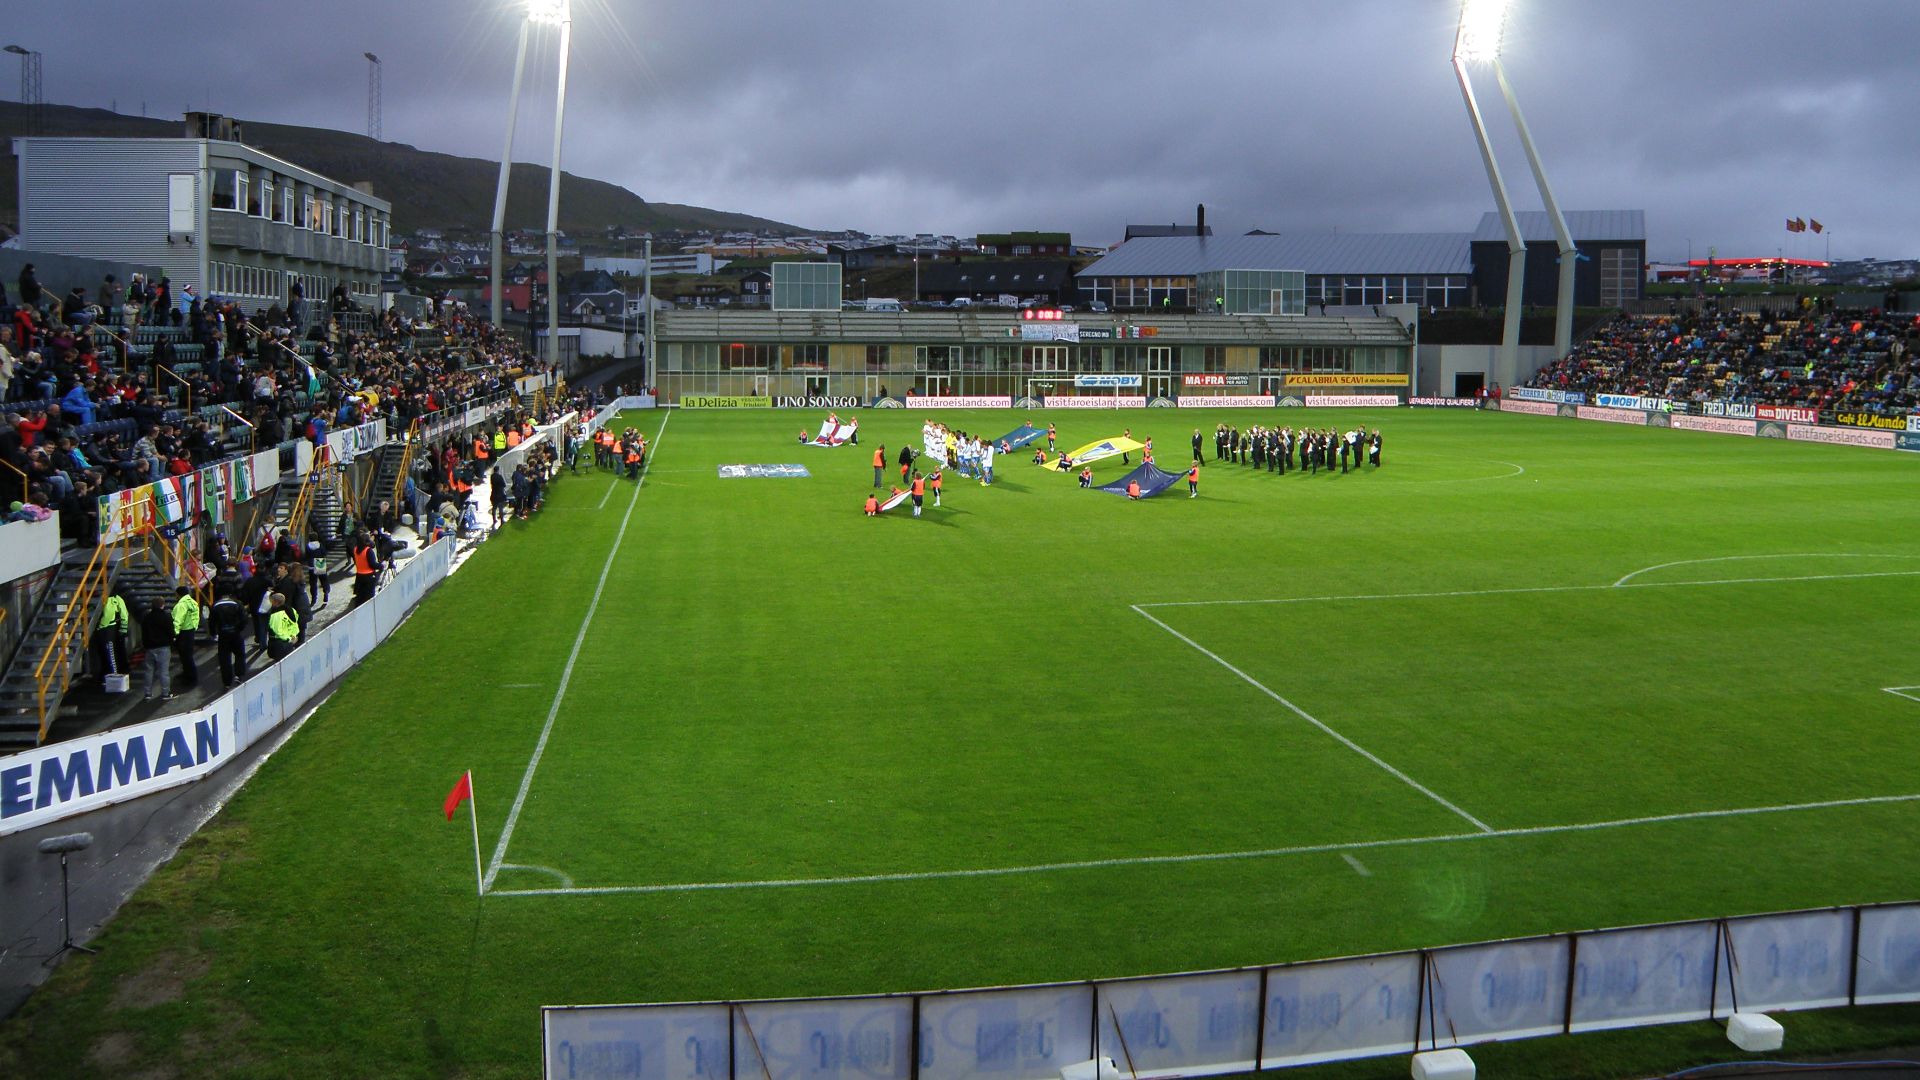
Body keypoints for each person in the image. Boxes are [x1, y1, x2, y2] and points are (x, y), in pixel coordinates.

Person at [210, 588, 250, 688]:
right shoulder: (237, 604)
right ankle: (239, 675)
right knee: (240, 654)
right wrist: (239, 628)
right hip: (235, 634)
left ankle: (226, 681)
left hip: (223, 635)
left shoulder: (216, 605)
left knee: (224, 658)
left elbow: (211, 621)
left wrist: (213, 633)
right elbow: (244, 619)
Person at [138, 597, 174, 700]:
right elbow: (171, 632)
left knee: (149, 671)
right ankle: (165, 693)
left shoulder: (146, 617)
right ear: (163, 605)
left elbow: (144, 632)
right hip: (163, 647)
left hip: (150, 647)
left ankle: (147, 693)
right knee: (164, 672)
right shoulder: (166, 617)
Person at [96, 587, 131, 685]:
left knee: (109, 654)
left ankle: (113, 678)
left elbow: (107, 616)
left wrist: (100, 626)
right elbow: (124, 615)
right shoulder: (117, 598)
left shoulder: (108, 600)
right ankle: (108, 675)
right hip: (113, 629)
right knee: (109, 653)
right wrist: (123, 631)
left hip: (107, 630)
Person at [171, 586, 202, 690]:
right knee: (188, 656)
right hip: (190, 631)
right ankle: (188, 674)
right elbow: (196, 617)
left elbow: (177, 621)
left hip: (183, 633)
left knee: (185, 657)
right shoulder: (193, 603)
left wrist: (174, 635)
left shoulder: (181, 605)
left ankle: (190, 678)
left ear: (179, 594)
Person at [266, 594, 300, 660]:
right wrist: (293, 636)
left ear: (276, 602)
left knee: (279, 660)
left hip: (280, 643)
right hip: (290, 640)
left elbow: (277, 631)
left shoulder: (275, 615)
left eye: (271, 601)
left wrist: (288, 639)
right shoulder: (292, 610)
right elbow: (295, 624)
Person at [350, 530, 379, 608]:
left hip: (359, 576)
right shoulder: (368, 551)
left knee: (360, 598)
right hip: (369, 576)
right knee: (369, 598)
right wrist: (381, 565)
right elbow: (373, 564)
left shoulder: (355, 549)